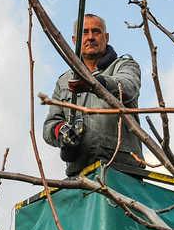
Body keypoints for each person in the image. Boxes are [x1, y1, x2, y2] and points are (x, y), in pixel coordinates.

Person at [43, 13, 143, 176]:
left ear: (106, 37)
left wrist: (95, 84)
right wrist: (63, 133)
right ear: (75, 41)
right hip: (80, 176)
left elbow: (128, 88)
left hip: (123, 171)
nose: (90, 37)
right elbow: (50, 125)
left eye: (96, 32)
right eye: (85, 32)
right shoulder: (64, 81)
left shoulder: (124, 65)